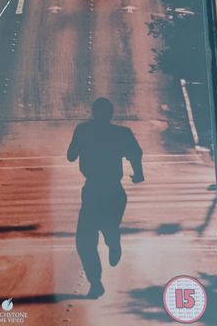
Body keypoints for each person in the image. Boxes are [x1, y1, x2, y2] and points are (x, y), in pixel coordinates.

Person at [67, 98, 144, 299]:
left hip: (93, 189)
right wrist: (138, 173)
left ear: (93, 113)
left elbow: (71, 156)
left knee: (85, 239)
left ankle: (95, 281)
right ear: (111, 114)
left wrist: (82, 143)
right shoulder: (122, 133)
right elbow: (135, 153)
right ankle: (112, 238)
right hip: (114, 191)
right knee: (105, 225)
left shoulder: (83, 130)